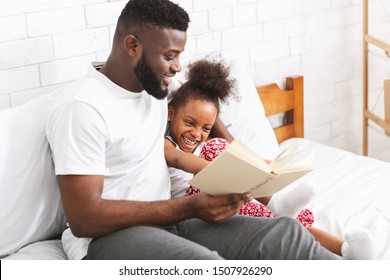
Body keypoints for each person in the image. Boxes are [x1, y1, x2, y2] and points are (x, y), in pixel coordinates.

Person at [46, 0, 343, 260]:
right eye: (170, 55)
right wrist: (191, 207)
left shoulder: (154, 86)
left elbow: (202, 108)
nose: (177, 67)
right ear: (133, 46)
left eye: (179, 55)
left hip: (172, 220)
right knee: (205, 265)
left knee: (284, 235)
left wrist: (248, 164)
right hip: (107, 239)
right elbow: (84, 217)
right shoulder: (82, 108)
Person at [164, 57, 376, 260]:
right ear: (170, 113)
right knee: (219, 149)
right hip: (193, 207)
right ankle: (277, 205)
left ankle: (345, 249)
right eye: (190, 123)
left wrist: (254, 166)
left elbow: (233, 148)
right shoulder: (167, 144)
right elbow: (179, 160)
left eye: (205, 128)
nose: (196, 133)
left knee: (291, 221)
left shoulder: (203, 141)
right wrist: (223, 169)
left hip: (222, 194)